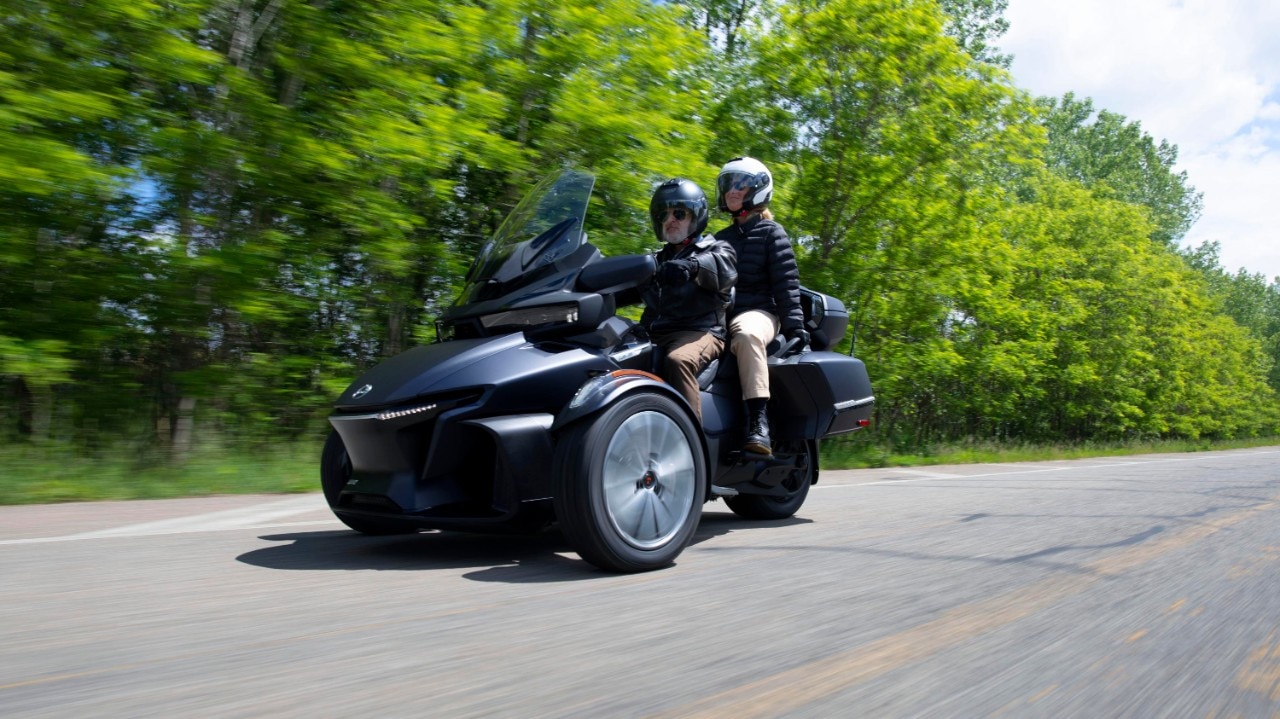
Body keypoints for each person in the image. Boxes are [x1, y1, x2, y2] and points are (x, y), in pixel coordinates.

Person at [713, 157, 807, 456]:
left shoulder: (771, 233)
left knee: (746, 335)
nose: (732, 190)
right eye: (728, 184)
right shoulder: (718, 239)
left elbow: (787, 284)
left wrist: (796, 328)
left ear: (758, 189)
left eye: (740, 184)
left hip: (760, 313)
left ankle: (758, 423)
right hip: (721, 316)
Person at [640, 178, 737, 423]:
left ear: (696, 216)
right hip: (654, 330)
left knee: (679, 360)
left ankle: (691, 443)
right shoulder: (654, 260)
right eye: (664, 214)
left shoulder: (716, 249)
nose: (670, 220)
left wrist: (692, 267)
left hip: (701, 331)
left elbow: (723, 269)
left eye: (679, 213)